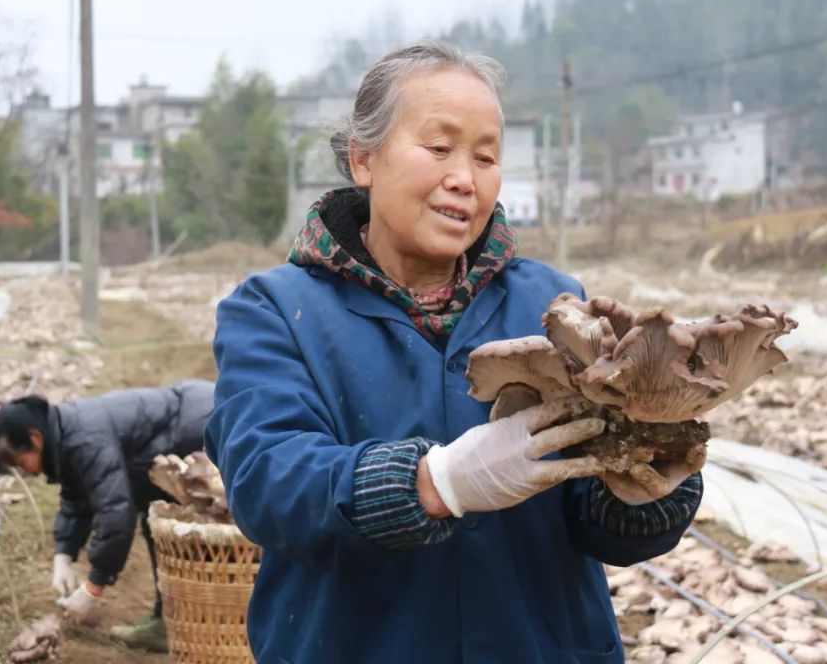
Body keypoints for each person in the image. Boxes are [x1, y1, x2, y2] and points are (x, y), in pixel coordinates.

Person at [206, 42, 705, 664]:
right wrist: (433, 484)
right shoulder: (276, 311)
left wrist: (648, 488)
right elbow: (269, 483)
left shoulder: (551, 304)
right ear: (363, 159)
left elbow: (591, 512)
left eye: (487, 156)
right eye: (438, 149)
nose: (465, 178)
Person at [0, 380, 216, 653]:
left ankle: (201, 624)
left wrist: (93, 585)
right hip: (190, 416)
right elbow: (78, 495)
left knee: (190, 529)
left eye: (20, 462)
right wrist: (64, 554)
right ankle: (170, 622)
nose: (23, 472)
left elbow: (115, 512)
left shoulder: (83, 439)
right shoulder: (63, 434)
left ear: (35, 438)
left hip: (200, 425)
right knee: (161, 527)